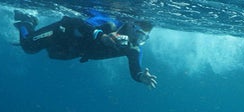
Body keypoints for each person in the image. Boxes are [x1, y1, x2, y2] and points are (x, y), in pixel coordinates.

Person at [13, 10, 157, 89]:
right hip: (61, 33)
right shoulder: (111, 23)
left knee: (52, 54)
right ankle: (27, 20)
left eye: (143, 38)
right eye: (138, 34)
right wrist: (101, 36)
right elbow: (81, 25)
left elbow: (135, 68)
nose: (138, 40)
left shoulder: (132, 49)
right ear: (131, 25)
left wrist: (141, 77)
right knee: (29, 47)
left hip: (71, 50)